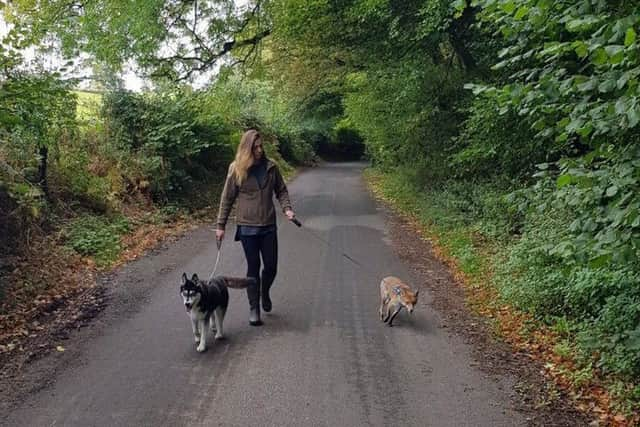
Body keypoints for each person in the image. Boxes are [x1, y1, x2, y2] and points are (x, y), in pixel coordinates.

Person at [216, 129, 295, 326]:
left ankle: (264, 291)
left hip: (268, 225)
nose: (259, 150)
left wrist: (287, 209)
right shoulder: (236, 169)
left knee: (271, 267)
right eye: (255, 147)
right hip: (247, 228)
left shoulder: (271, 167)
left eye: (261, 146)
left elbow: (281, 190)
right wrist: (220, 225)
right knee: (253, 267)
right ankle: (254, 308)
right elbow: (227, 198)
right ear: (246, 148)